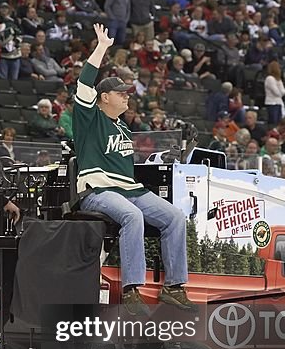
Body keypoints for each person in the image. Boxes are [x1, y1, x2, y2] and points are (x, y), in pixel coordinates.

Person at [72, 23, 194, 313]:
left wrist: (168, 155)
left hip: (129, 188)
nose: (127, 96)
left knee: (175, 217)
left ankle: (174, 287)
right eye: (121, 93)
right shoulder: (89, 119)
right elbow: (85, 82)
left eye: (127, 93)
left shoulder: (123, 127)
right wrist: (102, 47)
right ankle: (131, 292)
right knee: (133, 216)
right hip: (97, 189)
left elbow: (125, 164)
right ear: (104, 98)